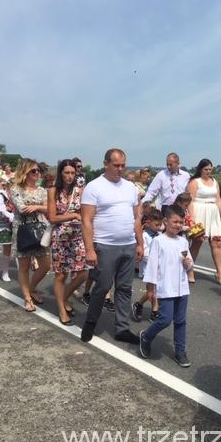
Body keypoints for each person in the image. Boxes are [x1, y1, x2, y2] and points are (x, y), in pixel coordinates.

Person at [80, 148, 143, 345]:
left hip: (128, 244)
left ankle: (122, 328)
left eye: (123, 165)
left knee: (124, 288)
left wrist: (140, 243)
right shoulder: (94, 187)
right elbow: (86, 220)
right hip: (105, 245)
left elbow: (136, 218)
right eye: (116, 165)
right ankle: (90, 323)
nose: (120, 169)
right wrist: (89, 249)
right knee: (103, 286)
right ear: (105, 164)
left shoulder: (130, 187)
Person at [139, 204, 193, 367]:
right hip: (166, 287)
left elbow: (189, 262)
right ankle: (146, 336)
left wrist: (188, 264)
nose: (178, 225)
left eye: (181, 222)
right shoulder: (158, 241)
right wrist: (150, 288)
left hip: (182, 287)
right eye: (175, 221)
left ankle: (180, 351)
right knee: (165, 319)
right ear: (166, 221)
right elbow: (152, 266)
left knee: (181, 321)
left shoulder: (183, 242)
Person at [47, 159, 88, 326]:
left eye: (72, 173)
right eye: (66, 173)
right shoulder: (53, 191)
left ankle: (63, 297)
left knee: (84, 272)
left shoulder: (81, 191)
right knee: (61, 275)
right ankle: (62, 310)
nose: (70, 176)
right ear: (61, 173)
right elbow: (52, 217)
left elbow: (85, 214)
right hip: (60, 238)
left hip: (77, 236)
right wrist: (73, 215)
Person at [10, 159, 51, 312]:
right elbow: (22, 208)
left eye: (38, 170)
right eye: (33, 170)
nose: (37, 173)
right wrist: (40, 207)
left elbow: (49, 208)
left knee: (46, 265)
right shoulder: (16, 188)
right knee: (24, 266)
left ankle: (31, 288)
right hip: (23, 229)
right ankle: (27, 298)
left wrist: (36, 207)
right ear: (25, 172)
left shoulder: (42, 190)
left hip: (39, 229)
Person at [187, 158, 221, 284]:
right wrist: (192, 219)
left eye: (210, 169)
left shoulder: (214, 181)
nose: (208, 171)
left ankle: (220, 273)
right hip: (199, 212)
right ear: (200, 169)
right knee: (197, 242)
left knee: (216, 243)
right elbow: (190, 200)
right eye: (206, 169)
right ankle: (190, 270)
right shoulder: (195, 182)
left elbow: (218, 200)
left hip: (213, 213)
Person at [132, 208, 163, 322]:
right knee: (152, 291)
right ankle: (153, 310)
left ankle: (142, 305)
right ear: (148, 223)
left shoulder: (160, 235)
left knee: (156, 290)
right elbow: (144, 252)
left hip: (159, 267)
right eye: (156, 225)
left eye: (160, 225)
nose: (159, 227)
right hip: (148, 267)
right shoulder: (144, 236)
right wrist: (153, 259)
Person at [0, 177, 14, 282]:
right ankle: (5, 272)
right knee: (7, 247)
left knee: (21, 247)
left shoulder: (19, 195)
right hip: (6, 223)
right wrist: (10, 215)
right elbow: (0, 209)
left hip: (18, 222)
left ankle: (22, 270)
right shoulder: (2, 195)